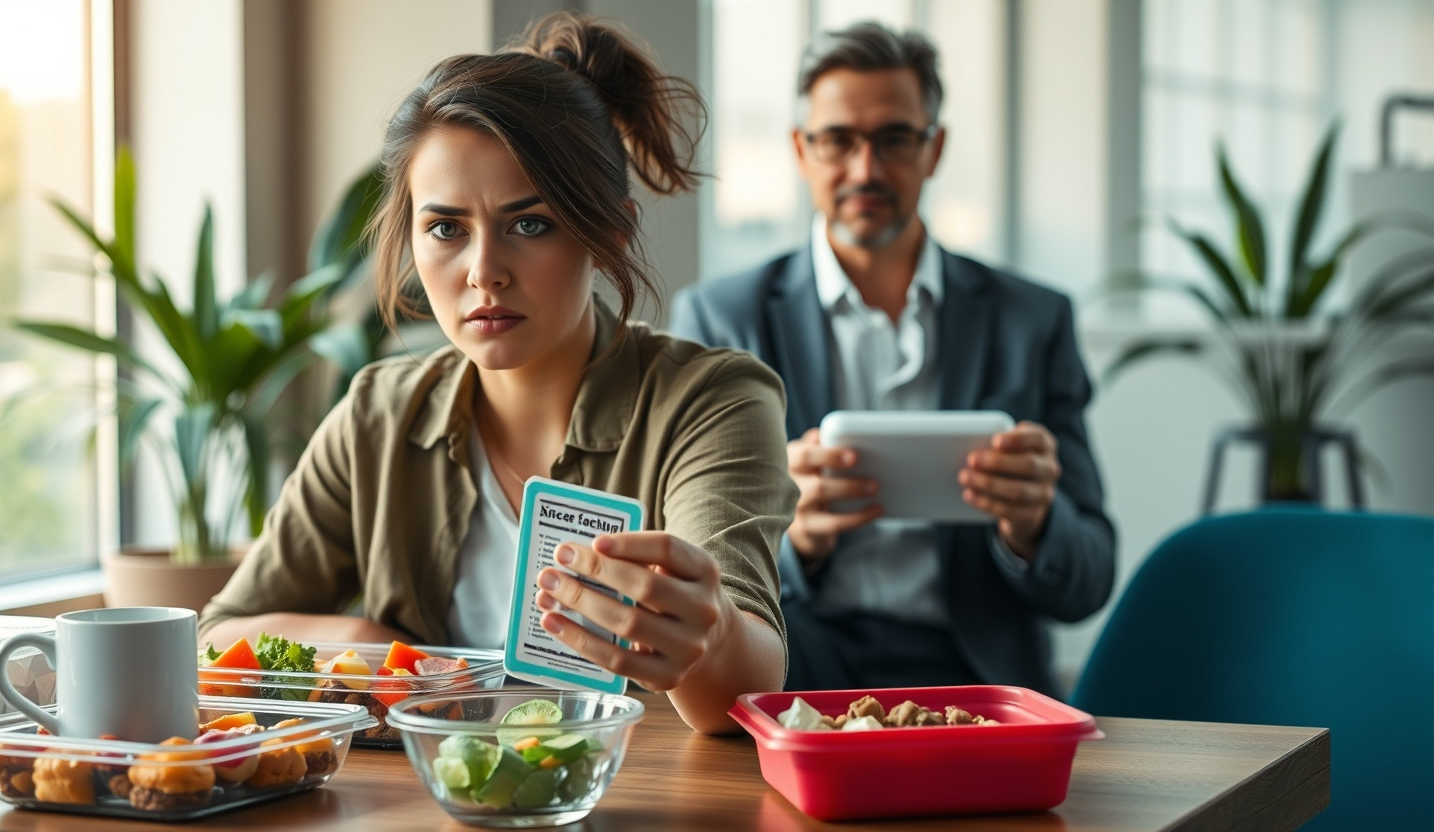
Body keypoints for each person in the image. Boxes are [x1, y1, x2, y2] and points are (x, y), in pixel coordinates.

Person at [200, 12, 795, 734]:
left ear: (611, 229)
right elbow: (219, 633)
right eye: (446, 229)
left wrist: (714, 633)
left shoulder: (712, 400)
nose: (484, 272)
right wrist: (379, 648)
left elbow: (741, 694)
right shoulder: (377, 414)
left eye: (529, 223)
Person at [669, 21, 1115, 697]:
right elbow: (690, 567)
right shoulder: (720, 319)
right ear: (801, 150)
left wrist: (1035, 524)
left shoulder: (1032, 320)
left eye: (895, 139)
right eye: (838, 140)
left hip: (977, 671)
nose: (866, 169)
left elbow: (1090, 579)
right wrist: (792, 541)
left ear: (934, 149)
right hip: (796, 657)